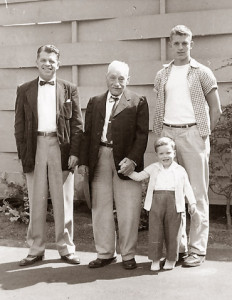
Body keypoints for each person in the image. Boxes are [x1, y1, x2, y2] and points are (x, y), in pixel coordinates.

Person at [153, 25, 222, 267]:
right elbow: (160, 107)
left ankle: (197, 249)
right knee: (173, 194)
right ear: (170, 45)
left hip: (193, 134)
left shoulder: (202, 72)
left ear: (191, 44)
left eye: (185, 43)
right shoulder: (162, 74)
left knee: (197, 193)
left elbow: (216, 108)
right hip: (168, 134)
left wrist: (203, 135)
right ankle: (179, 247)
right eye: (177, 43)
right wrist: (161, 135)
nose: (181, 47)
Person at [14, 45, 83, 266]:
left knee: (64, 200)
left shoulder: (69, 88)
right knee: (36, 200)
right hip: (35, 146)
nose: (47, 64)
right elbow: (19, 126)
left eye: (52, 60)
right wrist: (24, 155)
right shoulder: (24, 89)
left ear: (58, 64)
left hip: (60, 146)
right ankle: (36, 249)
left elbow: (77, 125)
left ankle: (66, 248)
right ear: (36, 62)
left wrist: (74, 153)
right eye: (43, 60)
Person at [79, 60, 149, 269]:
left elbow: (142, 135)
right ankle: (105, 253)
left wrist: (133, 159)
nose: (117, 83)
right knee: (100, 207)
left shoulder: (138, 101)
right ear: (106, 78)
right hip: (99, 156)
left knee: (128, 209)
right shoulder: (95, 102)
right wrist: (83, 161)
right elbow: (87, 133)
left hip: (126, 161)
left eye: (122, 78)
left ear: (128, 79)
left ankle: (128, 254)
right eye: (113, 77)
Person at [127, 137, 199, 271]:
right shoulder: (154, 168)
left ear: (174, 153)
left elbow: (187, 187)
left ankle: (171, 259)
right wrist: (127, 171)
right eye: (161, 153)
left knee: (173, 233)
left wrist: (192, 203)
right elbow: (139, 176)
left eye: (168, 153)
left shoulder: (180, 170)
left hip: (174, 204)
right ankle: (155, 259)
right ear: (157, 155)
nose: (165, 156)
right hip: (156, 203)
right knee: (155, 231)